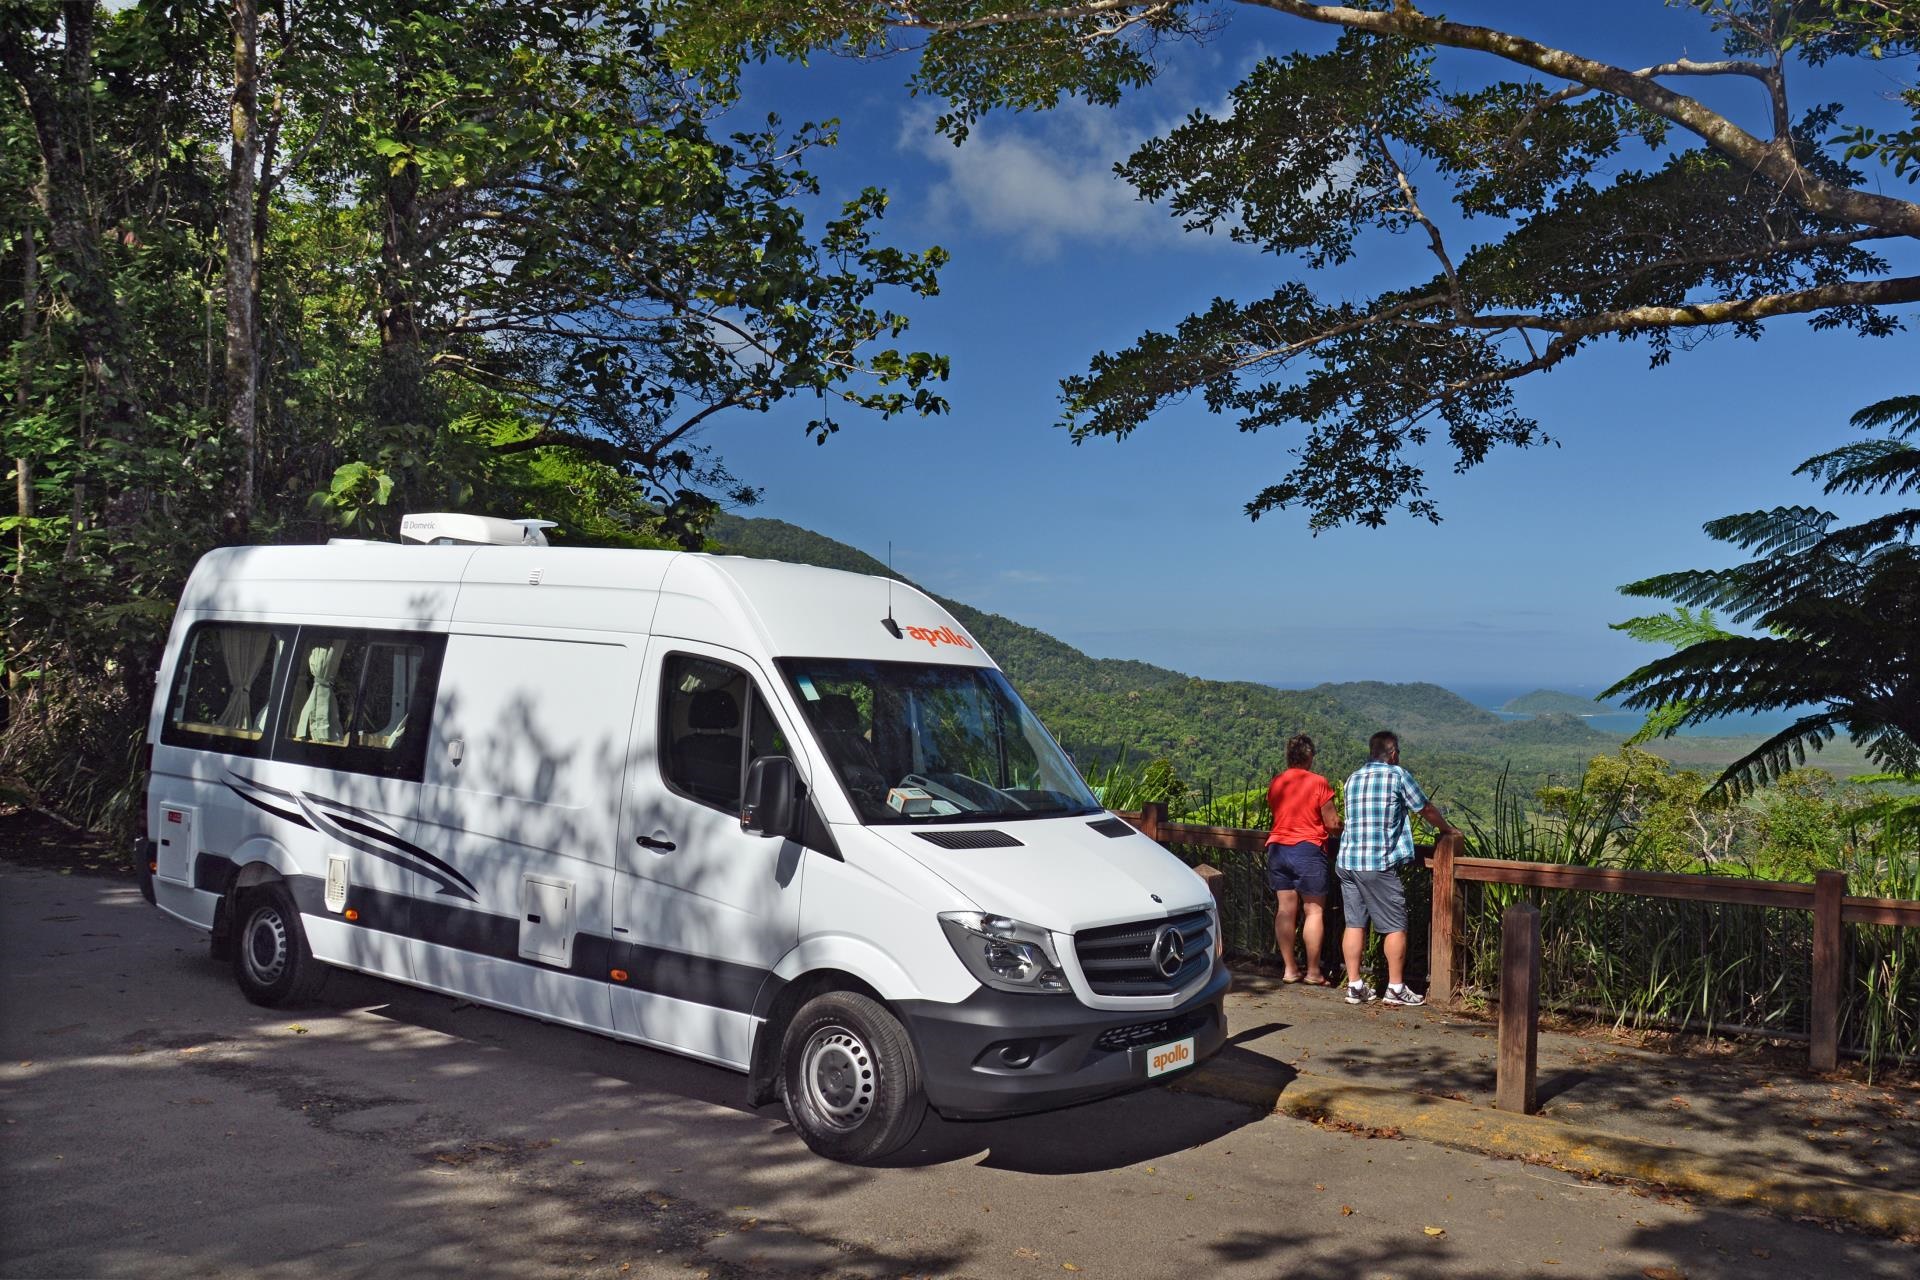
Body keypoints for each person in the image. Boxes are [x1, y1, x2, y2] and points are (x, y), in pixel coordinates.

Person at [1338, 730, 1456, 1008]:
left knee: (1354, 923)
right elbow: (1424, 809)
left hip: (1347, 861)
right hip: (1376, 863)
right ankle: (1395, 988)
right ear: (1393, 753)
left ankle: (1354, 986)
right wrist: (1447, 829)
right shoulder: (1397, 775)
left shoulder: (1353, 779)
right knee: (1395, 925)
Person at [1265, 734, 1342, 985]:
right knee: (1314, 910)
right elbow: (1332, 823)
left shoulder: (1277, 782)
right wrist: (1341, 828)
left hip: (1277, 848)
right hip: (1308, 849)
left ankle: (1289, 969)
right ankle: (1313, 972)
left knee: (1286, 909)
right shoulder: (1318, 783)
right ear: (1310, 756)